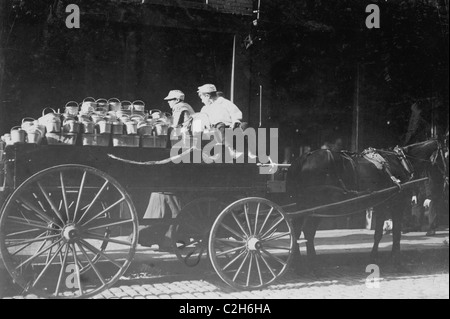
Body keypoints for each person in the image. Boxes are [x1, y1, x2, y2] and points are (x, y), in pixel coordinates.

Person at [137, 90, 194, 251]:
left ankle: (168, 237)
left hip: (182, 150)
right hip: (181, 150)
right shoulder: (182, 109)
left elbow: (175, 129)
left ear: (176, 100)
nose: (168, 102)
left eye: (170, 100)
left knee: (167, 196)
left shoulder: (182, 108)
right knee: (162, 195)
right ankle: (164, 238)